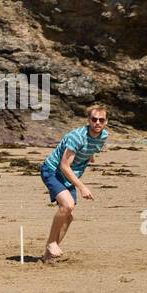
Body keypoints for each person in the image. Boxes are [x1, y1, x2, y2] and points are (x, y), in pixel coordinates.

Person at [41, 105, 109, 260]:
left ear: (106, 122)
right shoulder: (77, 137)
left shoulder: (104, 135)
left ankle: (48, 256)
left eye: (101, 120)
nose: (97, 123)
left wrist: (89, 155)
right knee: (67, 205)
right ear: (88, 120)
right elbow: (64, 166)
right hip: (53, 170)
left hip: (69, 175)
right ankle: (51, 243)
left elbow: (92, 148)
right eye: (94, 119)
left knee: (68, 216)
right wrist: (82, 187)